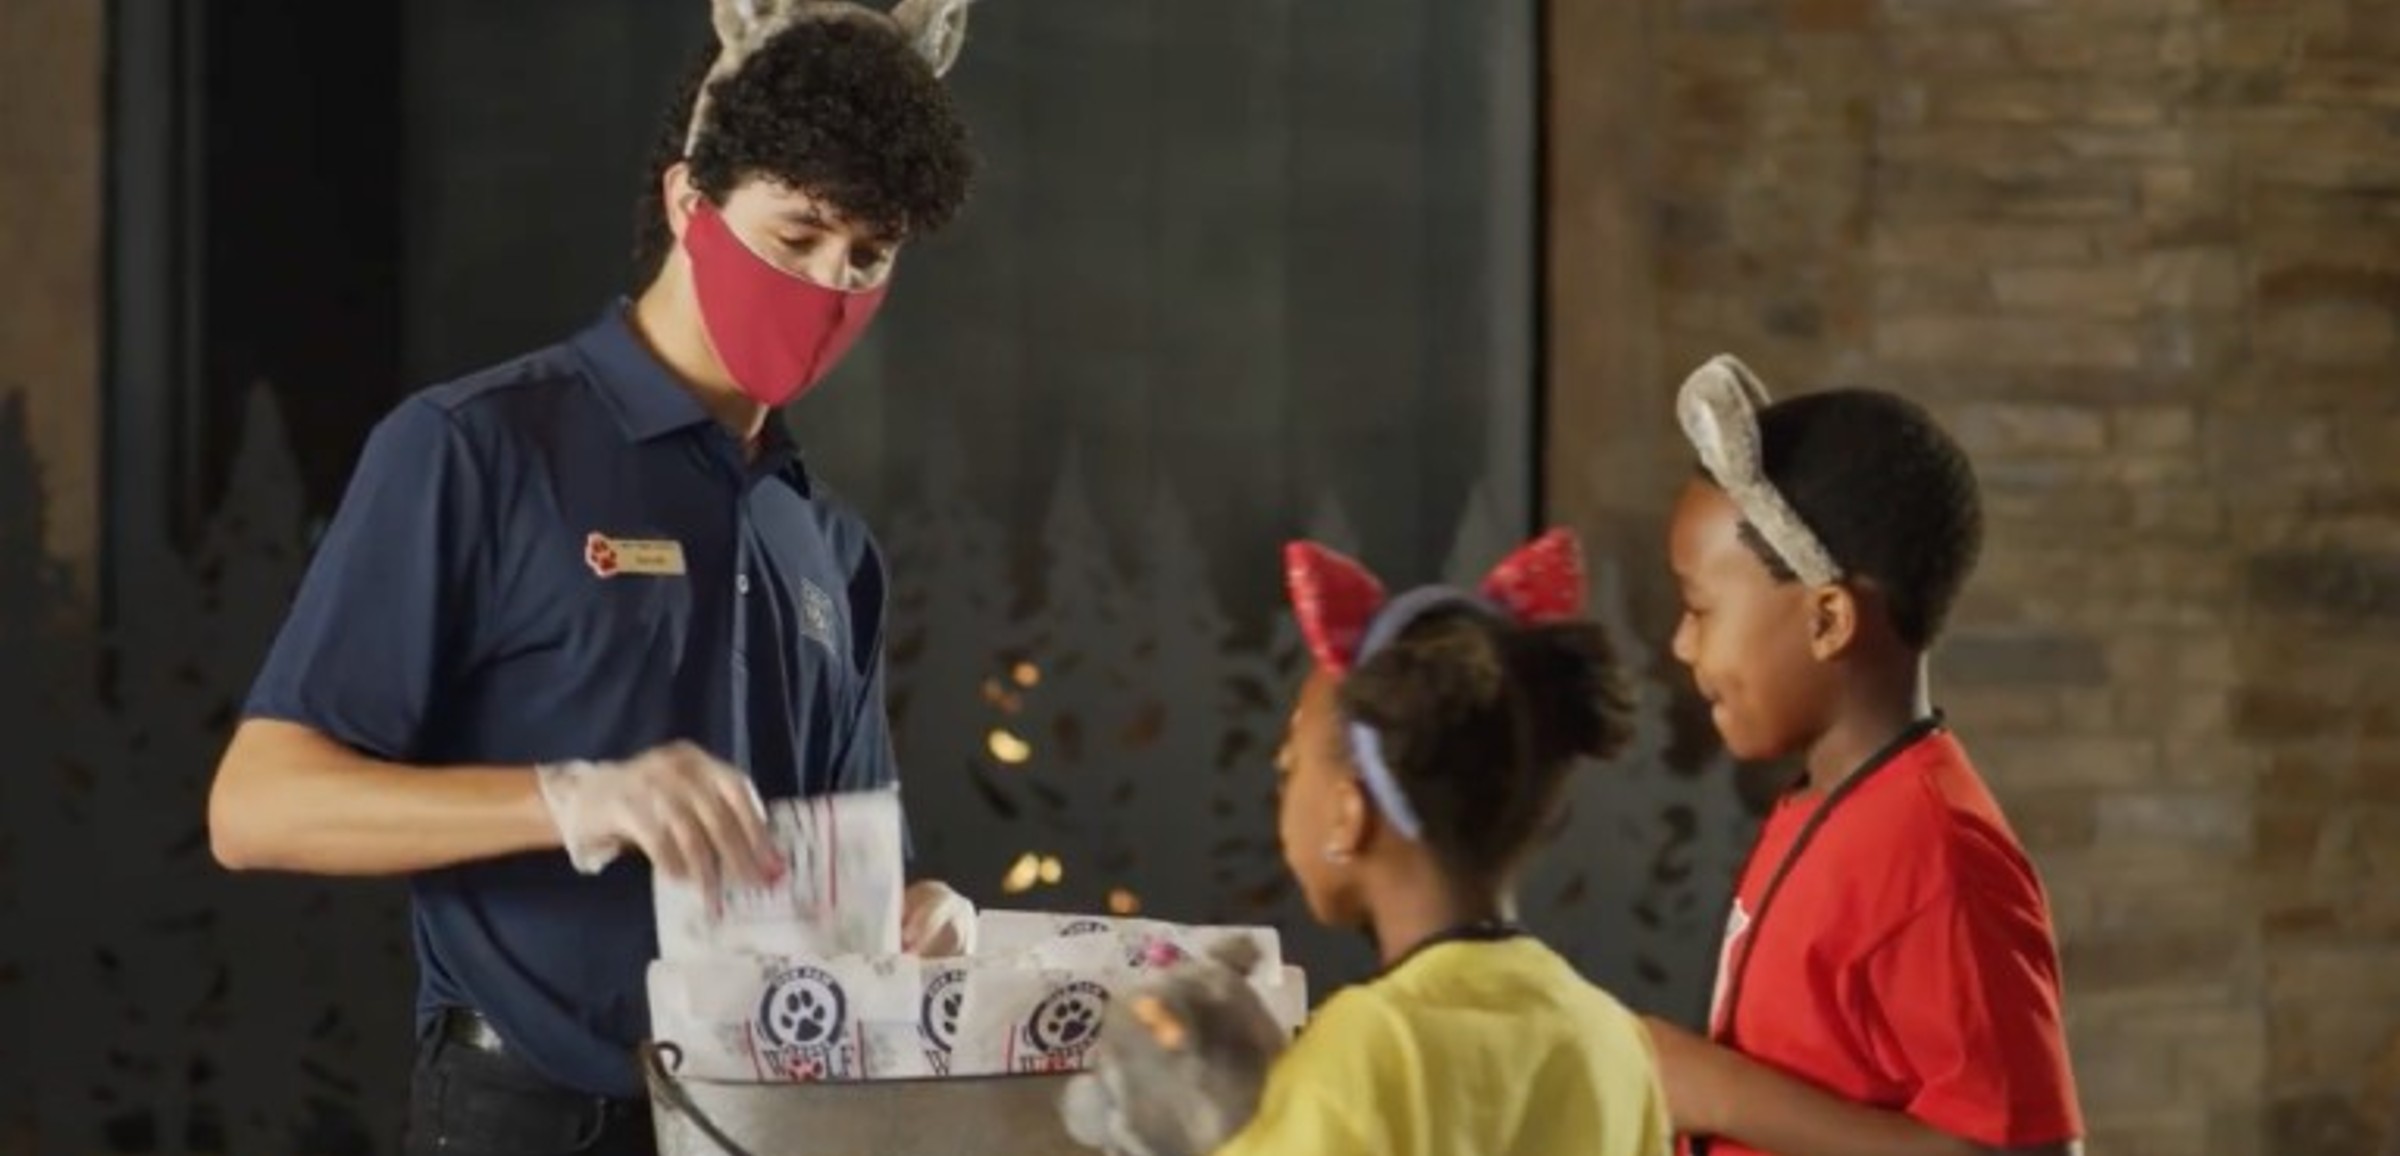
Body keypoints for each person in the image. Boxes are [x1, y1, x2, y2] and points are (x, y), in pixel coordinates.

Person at [205, 3, 982, 1152]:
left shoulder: (831, 547)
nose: (831, 284)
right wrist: (571, 799)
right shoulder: (474, 450)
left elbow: (854, 862)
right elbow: (255, 807)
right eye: (799, 234)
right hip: (523, 1115)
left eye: (868, 257)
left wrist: (918, 914)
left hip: (766, 1121)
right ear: (688, 202)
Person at [1645, 355, 2084, 1156]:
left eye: (1700, 609)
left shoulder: (1939, 857)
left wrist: (1721, 1093)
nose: (1680, 643)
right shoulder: (1820, 804)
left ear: (1828, 621)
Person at [1212, 530, 1673, 1155]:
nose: (1282, 787)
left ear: (1349, 814)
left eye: (1290, 766)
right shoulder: (1610, 1038)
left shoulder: (1371, 1046)